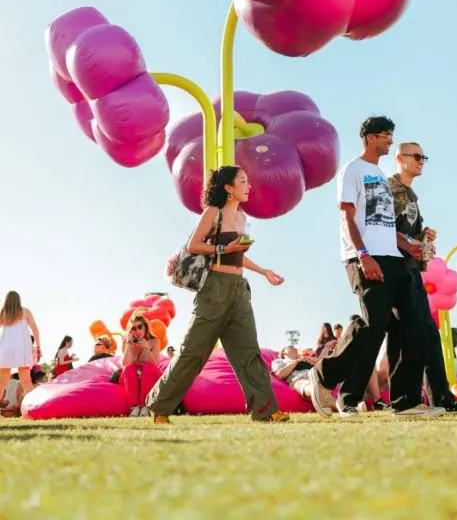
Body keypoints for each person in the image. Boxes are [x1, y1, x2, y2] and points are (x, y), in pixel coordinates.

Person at [309, 116, 443, 420]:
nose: (390, 141)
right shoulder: (352, 171)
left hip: (393, 258)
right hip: (365, 257)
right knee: (373, 327)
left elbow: (383, 222)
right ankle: (325, 374)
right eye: (385, 136)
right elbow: (348, 217)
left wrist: (408, 244)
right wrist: (364, 255)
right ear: (370, 138)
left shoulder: (381, 177)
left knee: (414, 326)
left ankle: (406, 402)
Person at [147, 166, 288, 424]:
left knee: (248, 351)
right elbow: (194, 245)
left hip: (238, 289)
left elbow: (239, 255)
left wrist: (263, 271)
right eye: (243, 181)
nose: (248, 186)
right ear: (228, 188)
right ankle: (160, 406)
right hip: (214, 288)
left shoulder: (243, 219)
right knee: (193, 350)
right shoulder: (214, 212)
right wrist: (223, 247)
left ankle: (266, 410)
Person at [387, 142, 457, 415]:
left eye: (423, 157)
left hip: (412, 270)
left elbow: (409, 236)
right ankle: (406, 401)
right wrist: (411, 244)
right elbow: (382, 229)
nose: (421, 161)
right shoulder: (389, 189)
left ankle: (442, 397)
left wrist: (423, 238)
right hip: (394, 270)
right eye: (416, 156)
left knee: (429, 333)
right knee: (405, 335)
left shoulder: (412, 196)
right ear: (400, 158)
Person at [0, 291, 41, 406]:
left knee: (2, 383)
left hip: (5, 349)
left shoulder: (3, 314)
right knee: (26, 382)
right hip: (22, 348)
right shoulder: (25, 312)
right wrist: (38, 346)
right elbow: (35, 330)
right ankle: (33, 408)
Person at [271, 347, 336, 414]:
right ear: (283, 352)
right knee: (306, 385)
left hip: (315, 376)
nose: (294, 348)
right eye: (290, 347)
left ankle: (340, 408)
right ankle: (315, 390)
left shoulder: (305, 360)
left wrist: (315, 363)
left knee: (325, 392)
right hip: (299, 378)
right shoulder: (279, 361)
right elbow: (280, 374)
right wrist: (296, 361)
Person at [121, 314, 161, 417]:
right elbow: (126, 363)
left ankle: (145, 406)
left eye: (140, 327)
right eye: (134, 328)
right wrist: (129, 345)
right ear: (131, 330)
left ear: (145, 327)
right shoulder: (127, 342)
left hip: (149, 374)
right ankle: (134, 407)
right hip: (133, 375)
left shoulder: (154, 341)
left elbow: (155, 363)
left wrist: (147, 348)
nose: (137, 330)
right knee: (128, 368)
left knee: (148, 367)